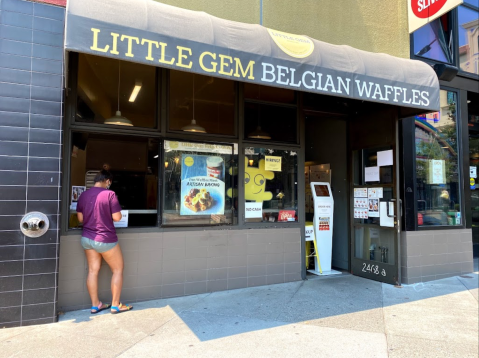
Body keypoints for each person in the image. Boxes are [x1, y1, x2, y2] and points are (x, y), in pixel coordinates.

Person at [76, 165, 133, 314]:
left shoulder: (83, 195)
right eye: (110, 182)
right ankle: (115, 305)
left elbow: (80, 219)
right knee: (118, 269)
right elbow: (117, 217)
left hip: (87, 238)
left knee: (93, 271)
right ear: (107, 181)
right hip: (105, 238)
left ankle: (96, 305)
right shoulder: (110, 195)